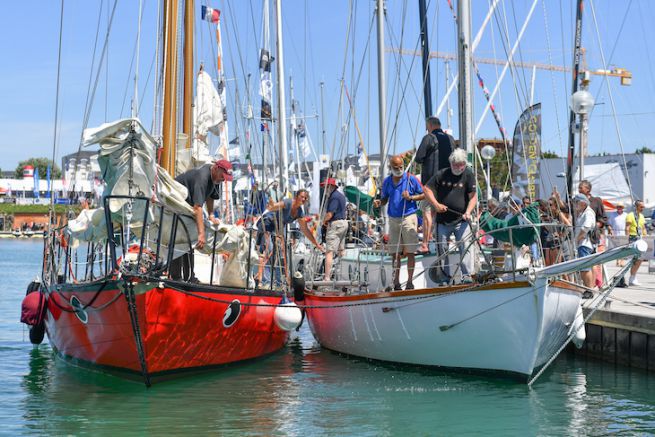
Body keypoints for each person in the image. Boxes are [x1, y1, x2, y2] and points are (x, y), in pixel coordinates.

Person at [171, 160, 233, 281]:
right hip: (174, 206)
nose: (223, 179)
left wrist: (210, 215)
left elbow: (210, 196)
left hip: (186, 209)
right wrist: (201, 234)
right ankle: (176, 278)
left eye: (225, 178)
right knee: (180, 241)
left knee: (189, 243)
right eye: (223, 176)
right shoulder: (202, 178)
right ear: (216, 168)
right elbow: (198, 207)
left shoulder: (216, 178)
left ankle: (190, 277)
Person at [424, 148, 477, 284]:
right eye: (456, 164)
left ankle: (466, 276)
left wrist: (468, 212)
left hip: (462, 220)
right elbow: (427, 189)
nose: (459, 167)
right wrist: (436, 205)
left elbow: (473, 197)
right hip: (442, 221)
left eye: (461, 165)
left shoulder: (468, 175)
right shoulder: (442, 174)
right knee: (442, 249)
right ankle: (446, 277)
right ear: (451, 163)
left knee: (465, 247)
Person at [373, 155, 424, 290]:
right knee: (394, 253)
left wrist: (411, 197)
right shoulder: (387, 181)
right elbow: (384, 198)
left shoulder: (411, 179)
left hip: (408, 217)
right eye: (396, 167)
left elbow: (424, 194)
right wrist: (380, 202)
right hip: (393, 219)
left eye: (401, 166)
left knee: (411, 252)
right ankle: (396, 282)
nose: (399, 169)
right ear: (391, 168)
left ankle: (409, 282)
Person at [256, 189, 324, 284]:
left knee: (281, 252)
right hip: (267, 222)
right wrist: (272, 205)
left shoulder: (299, 212)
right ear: (296, 197)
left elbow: (305, 229)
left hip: (279, 226)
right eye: (302, 196)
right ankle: (263, 281)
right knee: (268, 249)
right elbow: (275, 207)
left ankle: (279, 281)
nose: (304, 199)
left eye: (305, 198)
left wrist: (316, 244)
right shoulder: (288, 202)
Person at [413, 116, 457, 254]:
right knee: (443, 212)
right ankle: (446, 243)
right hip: (448, 183)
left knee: (427, 211)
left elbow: (419, 158)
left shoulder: (429, 138)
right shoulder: (450, 139)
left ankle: (425, 244)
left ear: (429, 125)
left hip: (431, 184)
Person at [578, 179, 607, 287]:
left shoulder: (596, 201)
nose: (579, 189)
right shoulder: (579, 201)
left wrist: (595, 226)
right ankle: (590, 285)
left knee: (594, 262)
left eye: (581, 187)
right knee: (588, 262)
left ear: (588, 189)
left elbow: (603, 218)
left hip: (594, 236)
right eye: (579, 187)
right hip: (583, 236)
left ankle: (595, 284)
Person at [320, 178, 348, 280]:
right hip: (343, 223)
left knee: (329, 251)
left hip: (336, 224)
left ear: (331, 187)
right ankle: (341, 276)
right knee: (341, 250)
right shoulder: (340, 196)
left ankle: (326, 278)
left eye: (326, 187)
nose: (325, 189)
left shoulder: (334, 197)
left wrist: (322, 222)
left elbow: (330, 213)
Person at [572, 193, 596, 292]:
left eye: (576, 203)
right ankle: (587, 288)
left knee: (585, 268)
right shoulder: (583, 212)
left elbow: (586, 227)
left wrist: (578, 239)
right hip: (582, 244)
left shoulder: (588, 213)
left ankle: (589, 289)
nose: (574, 205)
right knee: (584, 268)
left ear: (582, 203)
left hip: (584, 244)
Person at [625, 200, 647, 286]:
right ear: (636, 207)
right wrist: (627, 240)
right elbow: (627, 228)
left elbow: (643, 227)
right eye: (641, 207)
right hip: (633, 238)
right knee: (635, 259)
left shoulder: (641, 216)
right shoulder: (630, 215)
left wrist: (646, 236)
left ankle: (633, 276)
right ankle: (632, 277)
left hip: (640, 238)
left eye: (643, 207)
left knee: (639, 259)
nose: (643, 208)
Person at [608, 202, 627, 267]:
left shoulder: (626, 215)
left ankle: (622, 261)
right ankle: (617, 260)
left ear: (623, 208)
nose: (619, 208)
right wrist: (611, 231)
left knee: (623, 248)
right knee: (616, 248)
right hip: (615, 234)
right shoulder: (612, 214)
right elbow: (609, 224)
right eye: (618, 207)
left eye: (621, 207)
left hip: (623, 234)